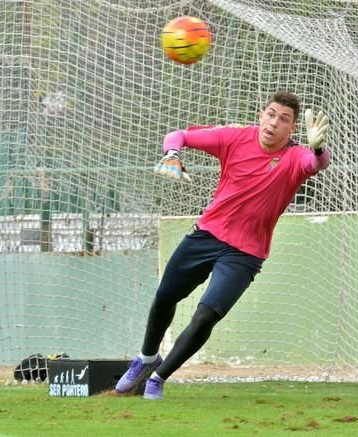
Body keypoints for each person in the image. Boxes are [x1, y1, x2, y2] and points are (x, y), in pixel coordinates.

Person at [115, 91, 331, 400]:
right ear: (261, 114)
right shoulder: (234, 137)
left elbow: (317, 163)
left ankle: (158, 379)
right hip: (206, 235)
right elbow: (177, 135)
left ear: (293, 129)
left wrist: (319, 147)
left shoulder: (295, 156)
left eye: (284, 119)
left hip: (245, 253)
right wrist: (172, 153)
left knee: (205, 316)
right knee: (165, 296)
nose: (274, 123)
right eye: (270, 114)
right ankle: (147, 359)